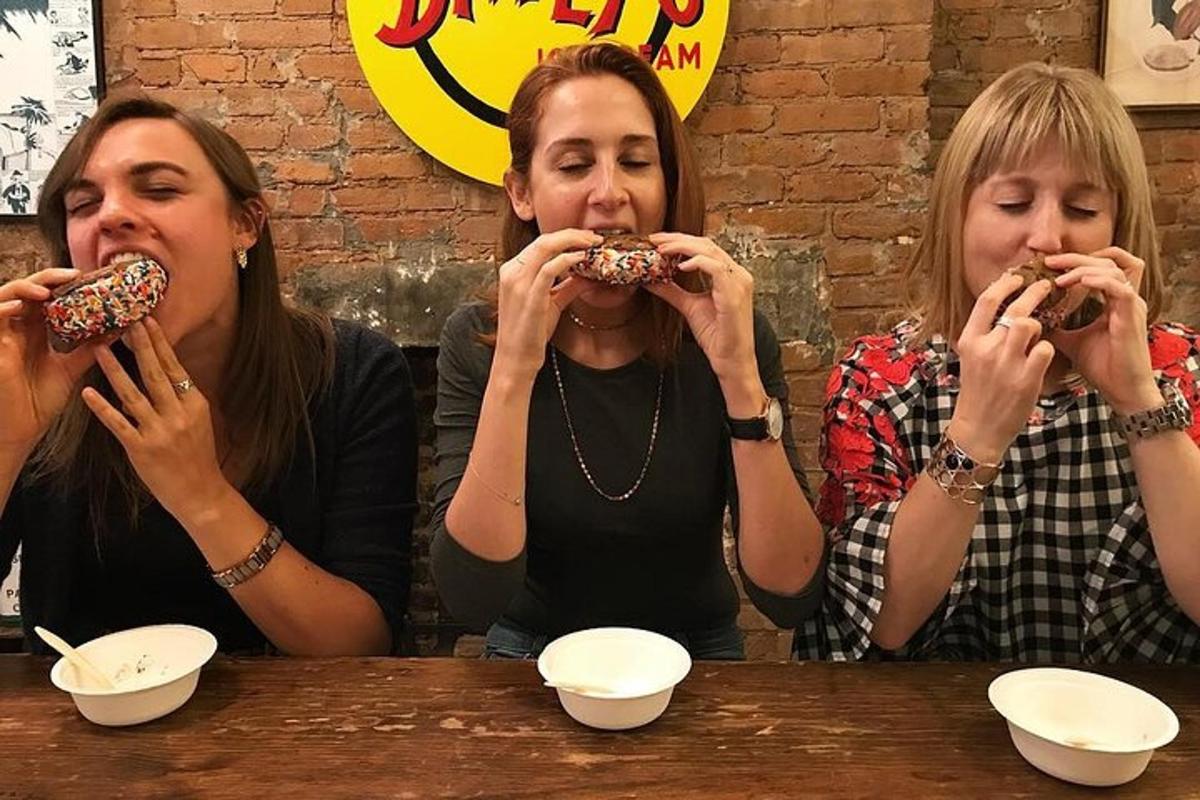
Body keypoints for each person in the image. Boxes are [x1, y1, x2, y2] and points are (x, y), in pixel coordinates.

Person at [430, 42, 825, 661]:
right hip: (529, 655)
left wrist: (740, 380)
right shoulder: (476, 339)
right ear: (521, 193)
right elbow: (472, 599)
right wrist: (513, 370)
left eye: (636, 161)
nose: (610, 192)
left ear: (666, 183)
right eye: (573, 165)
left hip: (696, 653)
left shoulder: (726, 332)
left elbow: (790, 594)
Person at [795, 62, 1200, 663]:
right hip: (934, 735)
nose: (1047, 238)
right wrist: (978, 431)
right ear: (955, 220)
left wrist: (1139, 400)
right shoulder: (881, 379)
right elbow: (886, 621)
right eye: (1013, 203)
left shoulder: (1181, 371)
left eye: (1083, 210)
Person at [0, 95, 417, 656]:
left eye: (160, 189)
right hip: (84, 726)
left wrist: (201, 496)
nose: (111, 215)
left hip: (301, 730)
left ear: (243, 225)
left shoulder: (353, 371)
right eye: (83, 204)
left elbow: (361, 645)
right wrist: (7, 440)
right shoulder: (41, 380)